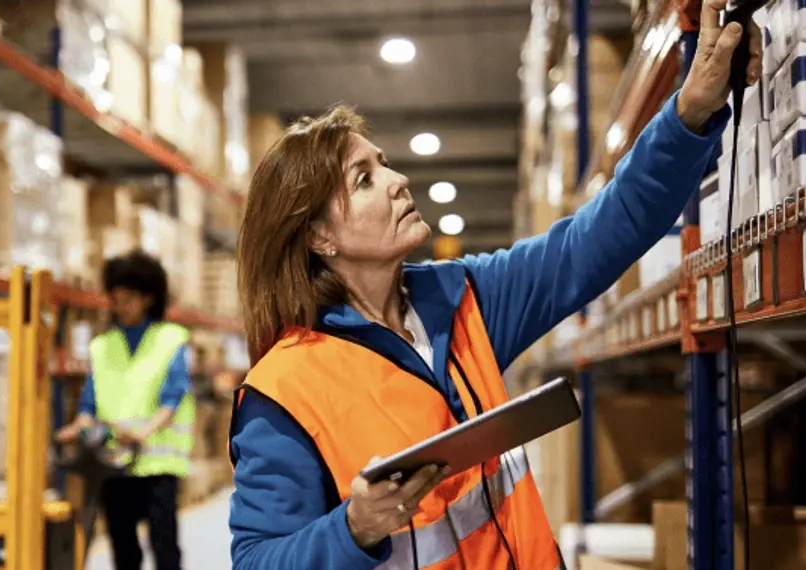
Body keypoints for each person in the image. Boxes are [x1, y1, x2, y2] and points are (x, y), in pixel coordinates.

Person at [229, 2, 762, 568]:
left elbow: (599, 235)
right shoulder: (284, 391)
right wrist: (355, 528)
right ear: (319, 238)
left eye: (383, 164)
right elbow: (257, 560)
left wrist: (689, 113)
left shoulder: (460, 299)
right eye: (364, 180)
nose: (398, 180)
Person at [56, 250, 194, 570]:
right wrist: (78, 426)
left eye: (128, 298)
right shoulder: (102, 346)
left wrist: (142, 433)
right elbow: (89, 403)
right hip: (113, 463)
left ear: (148, 298)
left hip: (158, 466)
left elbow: (172, 398)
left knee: (165, 549)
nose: (121, 306)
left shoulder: (171, 340)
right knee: (123, 551)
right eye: (116, 299)